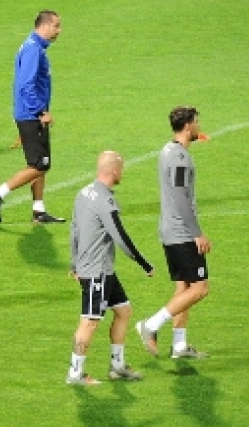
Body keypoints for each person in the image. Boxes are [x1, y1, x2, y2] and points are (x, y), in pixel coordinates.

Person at [65, 151, 154, 386]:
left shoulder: (83, 192)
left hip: (101, 269)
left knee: (124, 311)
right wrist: (144, 263)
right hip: (96, 272)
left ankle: (117, 366)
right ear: (114, 170)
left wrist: (74, 263)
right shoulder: (105, 201)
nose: (122, 173)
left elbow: (74, 229)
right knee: (89, 321)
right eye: (121, 169)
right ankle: (75, 373)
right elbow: (120, 237)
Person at [136, 106, 211, 360]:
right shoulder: (179, 157)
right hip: (182, 232)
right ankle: (150, 325)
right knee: (200, 288)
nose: (199, 126)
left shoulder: (168, 150)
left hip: (169, 230)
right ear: (188, 126)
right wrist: (196, 233)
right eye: (196, 122)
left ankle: (179, 346)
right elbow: (180, 195)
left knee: (184, 288)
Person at [0, 11, 66, 225]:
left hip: (29, 114)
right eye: (56, 26)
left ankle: (39, 211)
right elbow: (26, 85)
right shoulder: (33, 49)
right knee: (39, 165)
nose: (59, 30)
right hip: (32, 115)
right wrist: (40, 112)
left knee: (40, 163)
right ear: (44, 25)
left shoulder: (33, 46)